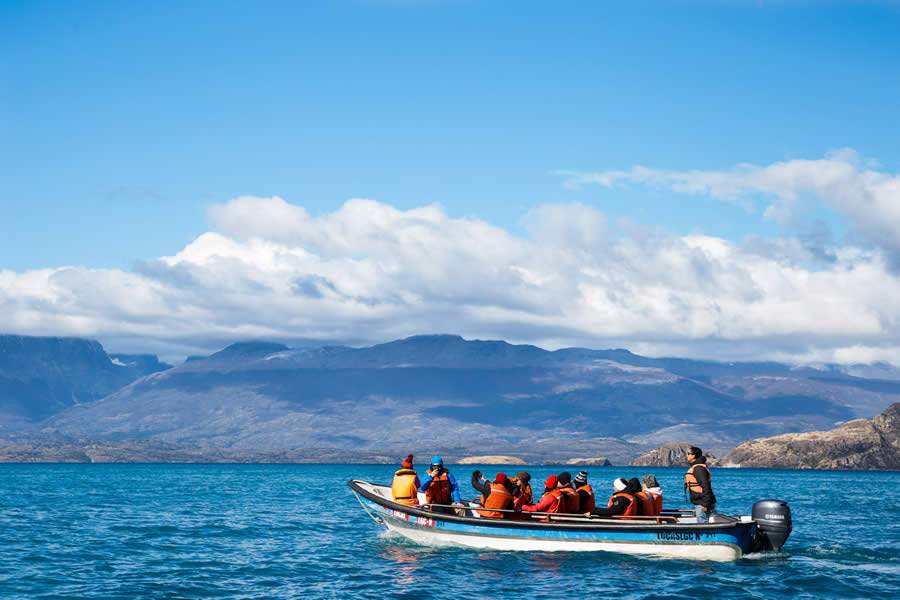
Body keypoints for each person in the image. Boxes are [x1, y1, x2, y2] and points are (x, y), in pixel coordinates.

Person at [685, 446, 717, 523]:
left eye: (688, 454)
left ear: (693, 456)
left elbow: (706, 486)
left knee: (703, 525)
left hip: (702, 503)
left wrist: (705, 504)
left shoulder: (699, 469)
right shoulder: (697, 467)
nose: (687, 455)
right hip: (700, 502)